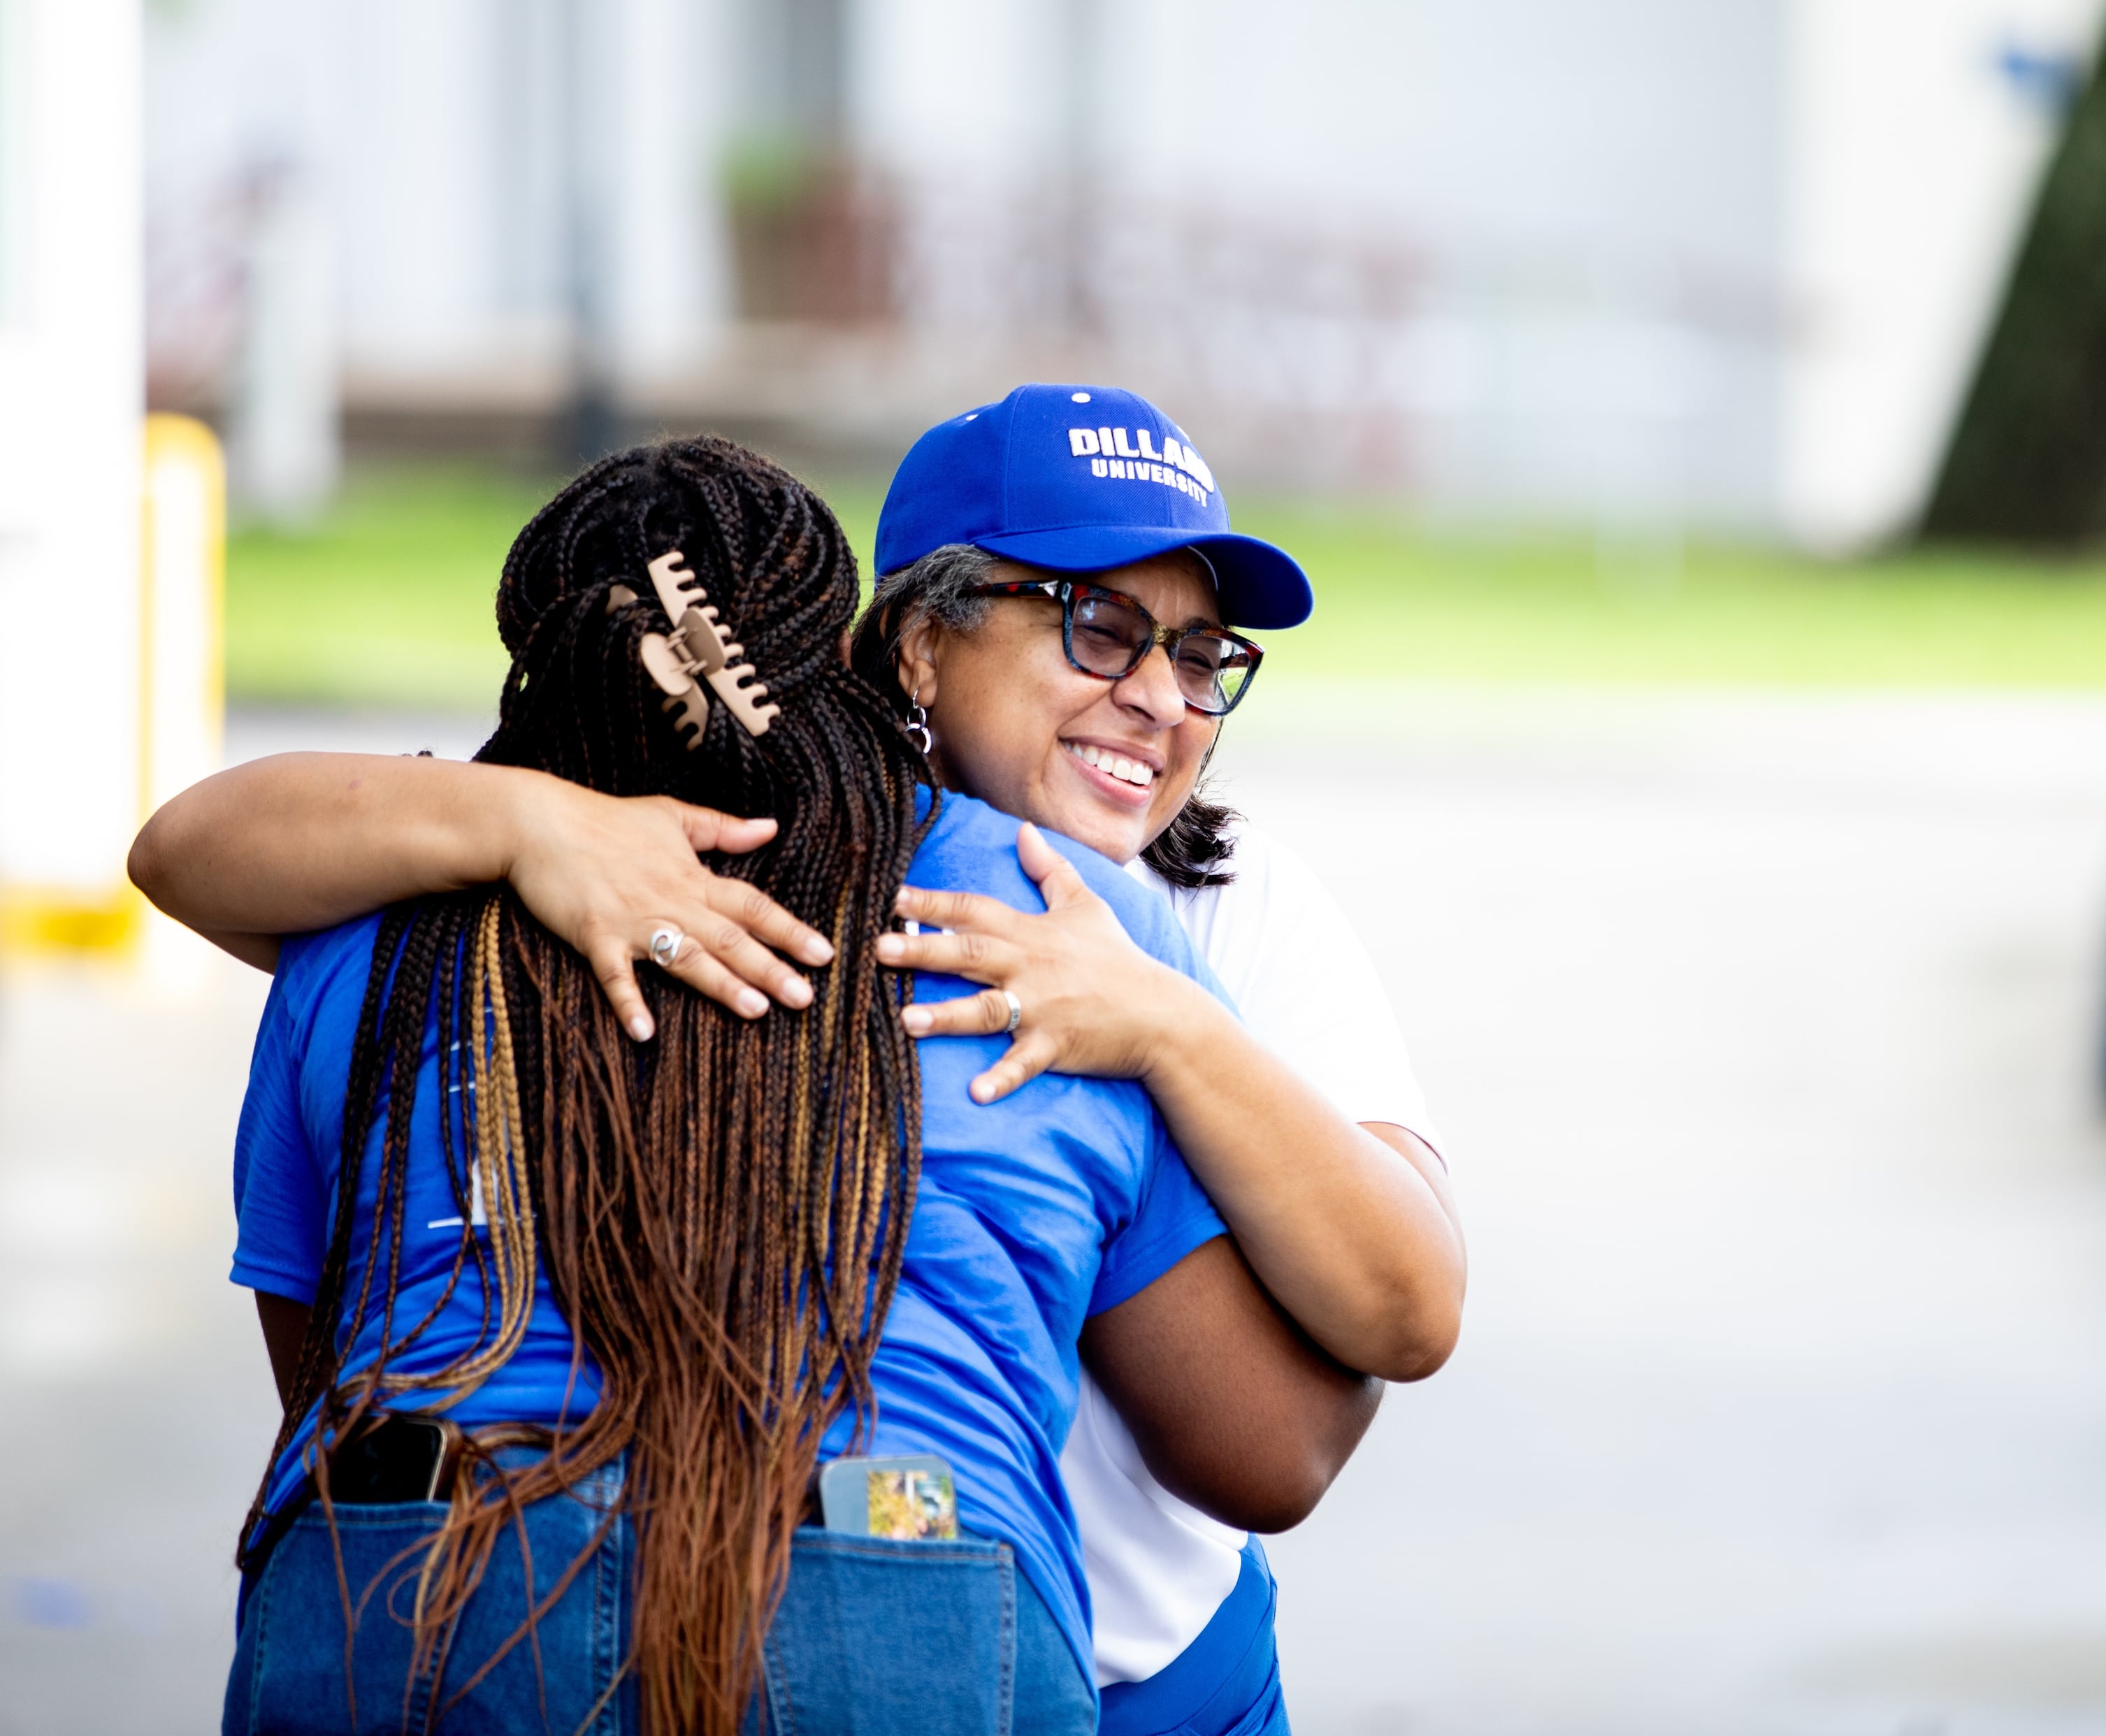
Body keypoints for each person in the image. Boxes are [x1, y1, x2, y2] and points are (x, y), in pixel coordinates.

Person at [133, 386, 1466, 1734]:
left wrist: (1172, 1028)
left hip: (420, 1585)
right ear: (897, 649)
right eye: (1096, 625)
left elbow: (335, 1373)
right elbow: (1271, 1443)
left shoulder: (369, 929)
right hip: (919, 1594)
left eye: (1199, 657)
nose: (1158, 697)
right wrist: (523, 823)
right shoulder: (1028, 915)